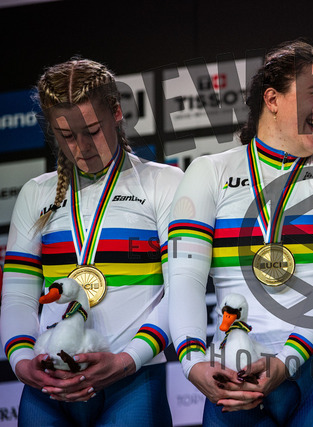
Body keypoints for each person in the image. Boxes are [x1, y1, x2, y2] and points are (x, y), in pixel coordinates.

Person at [168, 40, 313, 426]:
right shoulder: (209, 172)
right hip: (234, 368)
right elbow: (184, 280)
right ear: (272, 99)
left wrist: (288, 358)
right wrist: (193, 363)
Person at [0, 58, 181, 426]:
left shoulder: (165, 183)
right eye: (66, 136)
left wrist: (127, 359)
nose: (81, 147)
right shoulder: (36, 193)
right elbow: (18, 296)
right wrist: (21, 362)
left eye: (92, 130)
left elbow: (181, 292)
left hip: (132, 380)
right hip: (50, 385)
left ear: (116, 112)